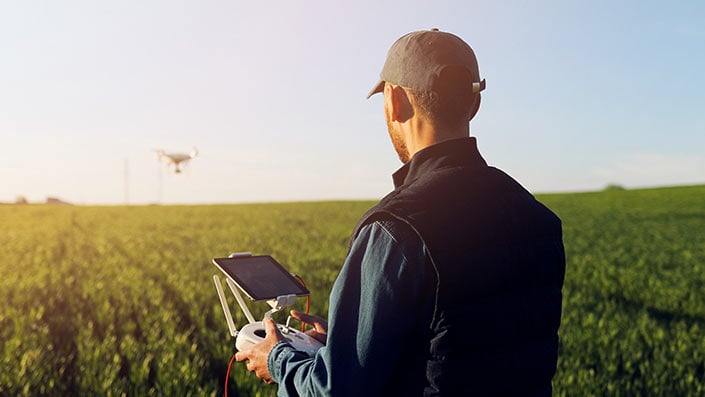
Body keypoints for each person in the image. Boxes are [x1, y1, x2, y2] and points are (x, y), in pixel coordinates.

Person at [235, 28, 566, 396]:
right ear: (474, 104)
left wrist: (278, 358)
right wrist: (349, 340)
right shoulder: (539, 219)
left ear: (394, 101)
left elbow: (338, 390)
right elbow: (478, 345)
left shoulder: (397, 228)